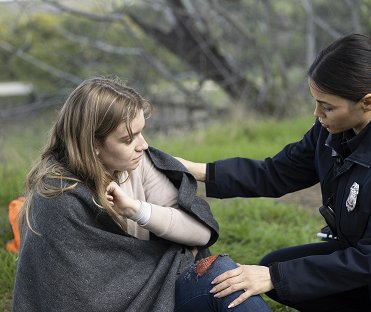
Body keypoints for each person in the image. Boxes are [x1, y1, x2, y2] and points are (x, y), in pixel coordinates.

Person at [177, 34, 371, 311]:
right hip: (370, 259)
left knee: (277, 275)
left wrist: (275, 277)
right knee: (276, 267)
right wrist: (195, 171)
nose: (317, 113)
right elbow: (275, 172)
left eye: (327, 106)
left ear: (368, 102)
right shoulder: (334, 127)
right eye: (316, 102)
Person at [12, 77, 272, 312]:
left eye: (141, 132)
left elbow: (200, 233)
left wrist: (137, 210)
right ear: (93, 145)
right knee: (218, 274)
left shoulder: (139, 164)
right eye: (128, 139)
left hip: (157, 290)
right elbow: (78, 295)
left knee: (224, 277)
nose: (143, 145)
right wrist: (171, 255)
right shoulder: (56, 197)